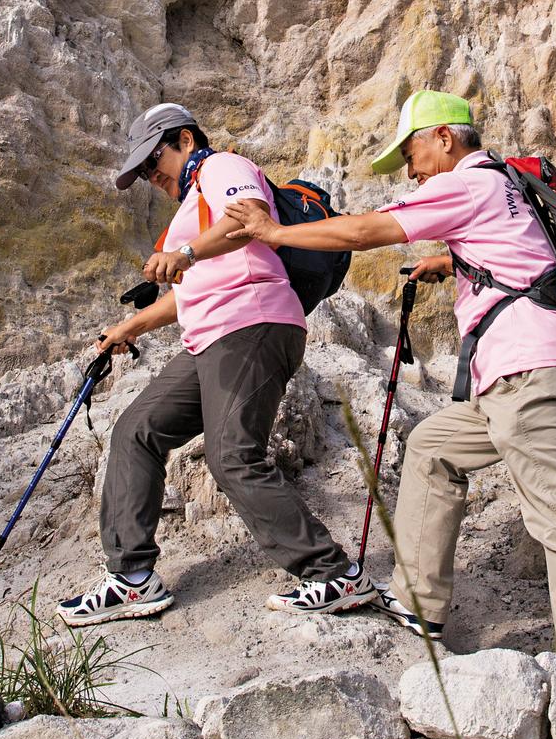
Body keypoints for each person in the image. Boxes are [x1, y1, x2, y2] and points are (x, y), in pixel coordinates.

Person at [226, 90, 556, 658]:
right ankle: (420, 605)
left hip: (530, 370)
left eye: (411, 155)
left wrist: (274, 234)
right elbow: (527, 254)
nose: (413, 173)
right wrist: (454, 260)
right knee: (431, 447)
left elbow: (362, 232)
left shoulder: (463, 182)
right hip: (536, 367)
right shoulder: (503, 179)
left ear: (443, 137)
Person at [57, 102, 374, 625]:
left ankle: (334, 576)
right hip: (210, 339)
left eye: (151, 160)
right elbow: (189, 292)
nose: (149, 176)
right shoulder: (190, 213)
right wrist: (127, 328)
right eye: (140, 171)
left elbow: (250, 220)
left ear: (182, 139)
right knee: (136, 429)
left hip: (252, 325)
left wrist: (184, 252)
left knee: (232, 456)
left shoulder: (221, 167)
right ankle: (132, 579)